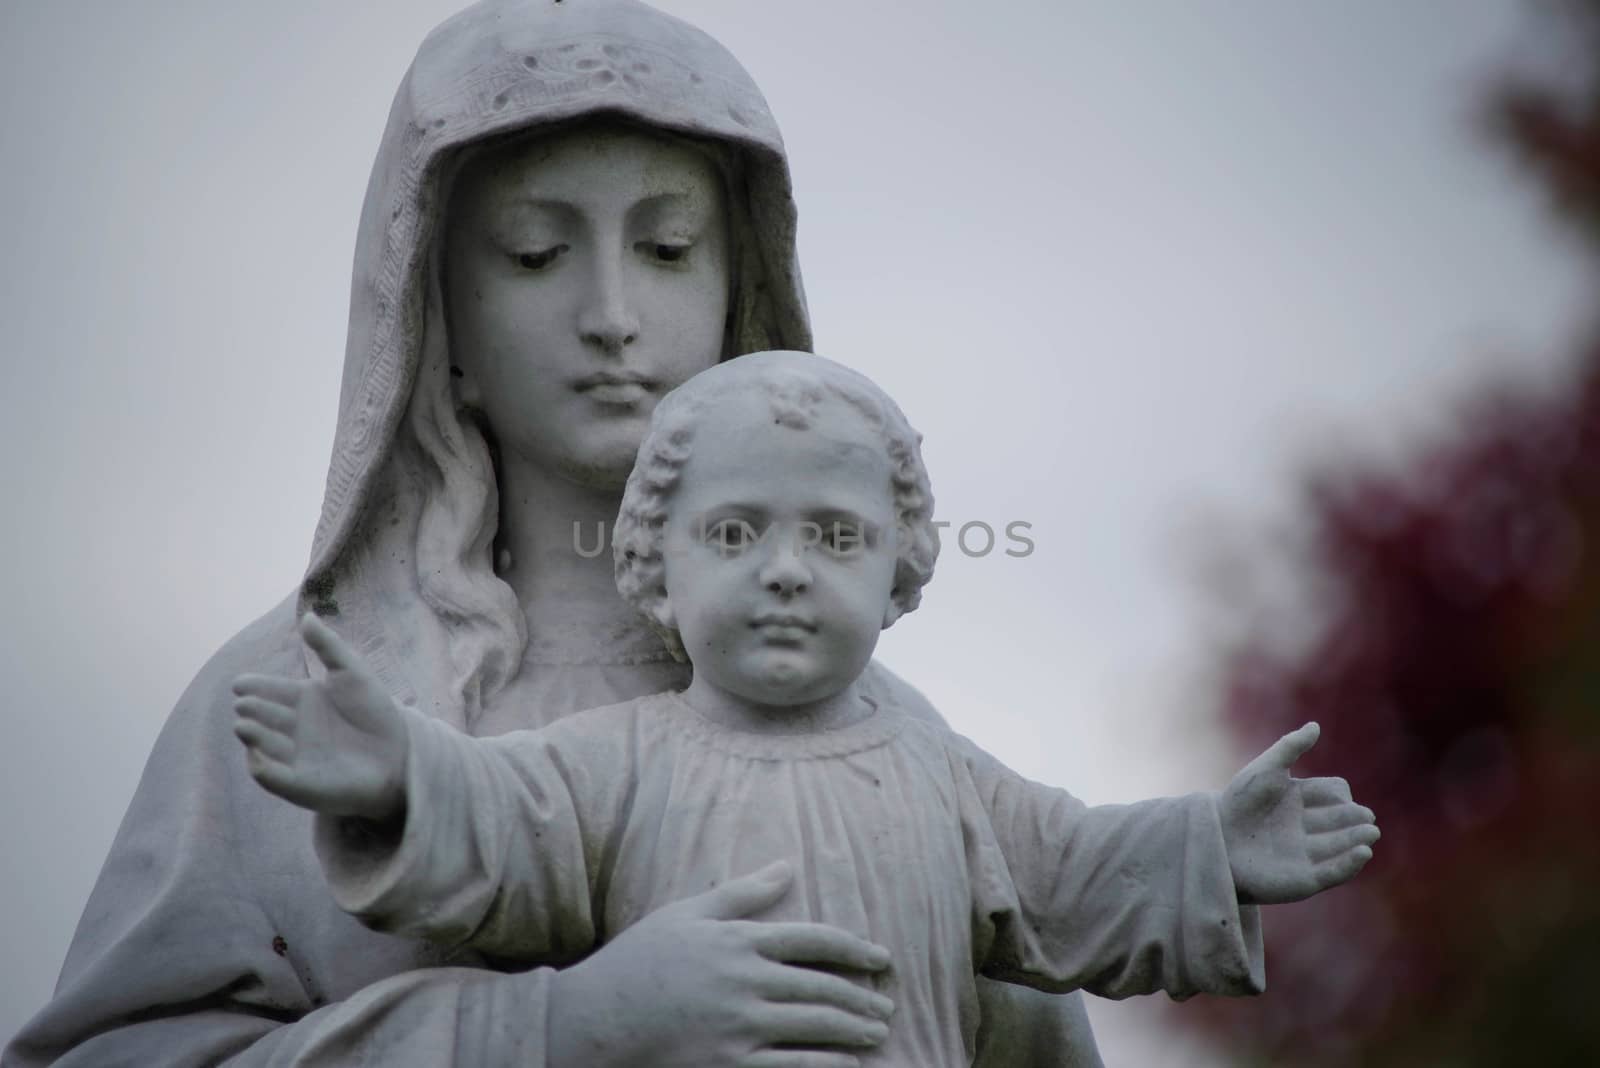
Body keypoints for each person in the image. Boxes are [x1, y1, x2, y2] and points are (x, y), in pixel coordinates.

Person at [5, 1, 1108, 1065]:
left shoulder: (867, 728)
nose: (613, 313)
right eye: (536, 253)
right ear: (439, 320)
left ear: (739, 291)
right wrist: (557, 1032)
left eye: (669, 247)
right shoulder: (310, 697)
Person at [232, 351, 1380, 1066]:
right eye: (734, 534)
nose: (785, 570)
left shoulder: (941, 773)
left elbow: (1074, 870)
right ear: (654, 570)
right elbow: (502, 815)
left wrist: (1209, 847)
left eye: (833, 537)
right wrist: (402, 770)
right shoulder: (616, 760)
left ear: (897, 575)